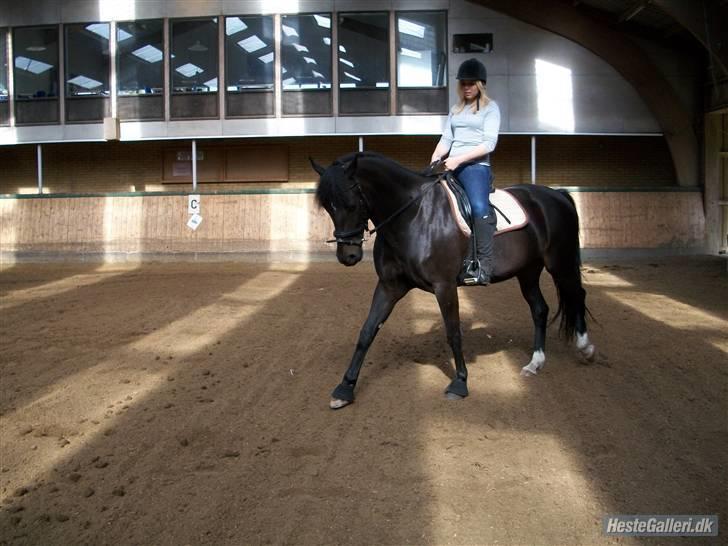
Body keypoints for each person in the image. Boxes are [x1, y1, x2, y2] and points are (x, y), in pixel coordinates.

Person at [431, 58, 500, 285]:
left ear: (480, 84)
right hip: (452, 164)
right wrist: (435, 158)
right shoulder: (456, 109)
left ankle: (483, 266)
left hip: (476, 167)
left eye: (471, 83)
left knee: (479, 207)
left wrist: (458, 159)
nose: (467, 87)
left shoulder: (491, 108)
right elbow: (446, 138)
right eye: (464, 84)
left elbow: (488, 144)